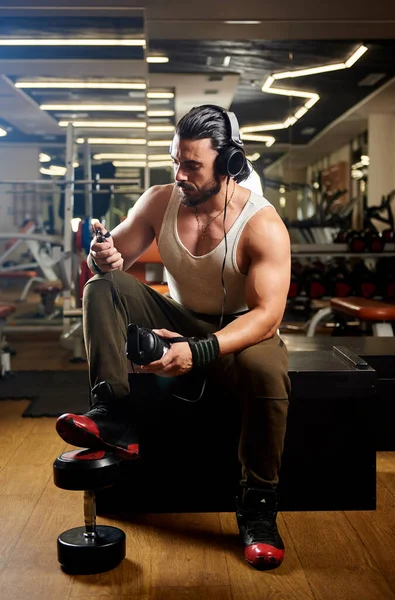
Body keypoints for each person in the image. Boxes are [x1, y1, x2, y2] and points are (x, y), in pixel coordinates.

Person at [56, 104, 291, 571]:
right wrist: (101, 252)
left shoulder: (262, 224)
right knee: (102, 287)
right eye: (175, 161)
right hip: (179, 315)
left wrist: (198, 351)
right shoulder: (160, 201)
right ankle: (113, 414)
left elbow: (267, 315)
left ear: (228, 164)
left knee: (266, 370)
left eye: (192, 165)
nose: (180, 174)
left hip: (243, 329)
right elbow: (110, 258)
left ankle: (259, 504)